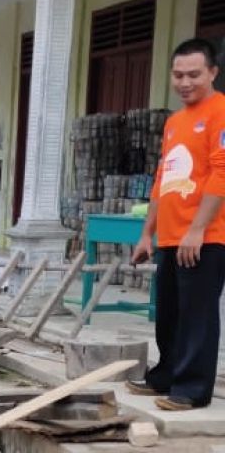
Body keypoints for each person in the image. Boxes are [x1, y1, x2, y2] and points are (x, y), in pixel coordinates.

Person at [129, 37, 225, 411]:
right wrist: (146, 233)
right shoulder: (174, 121)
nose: (185, 83)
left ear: (213, 72)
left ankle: (191, 389)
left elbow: (221, 173)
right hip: (170, 234)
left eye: (194, 75)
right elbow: (163, 178)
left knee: (197, 313)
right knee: (168, 311)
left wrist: (198, 229)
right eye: (178, 75)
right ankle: (165, 376)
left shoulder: (220, 111)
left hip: (206, 235)